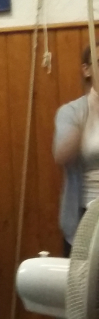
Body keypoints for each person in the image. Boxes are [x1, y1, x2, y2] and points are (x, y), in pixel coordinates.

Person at [52, 46, 99, 257]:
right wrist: (88, 119)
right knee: (84, 288)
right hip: (85, 216)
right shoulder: (71, 112)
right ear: (87, 70)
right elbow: (61, 155)